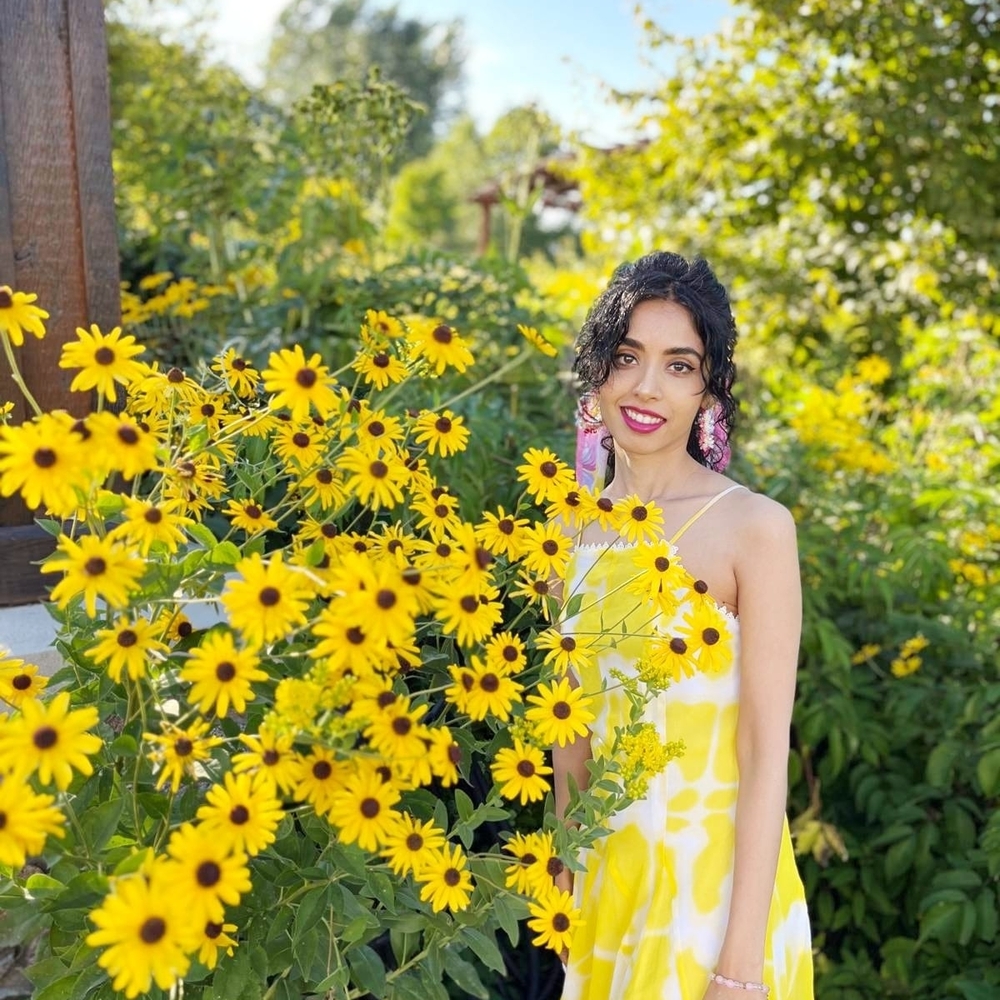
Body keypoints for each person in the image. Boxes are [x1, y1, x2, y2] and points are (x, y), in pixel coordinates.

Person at [553, 251, 814, 1000]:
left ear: (707, 390)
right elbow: (570, 747)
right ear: (595, 370)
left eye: (678, 365)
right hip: (606, 897)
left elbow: (766, 758)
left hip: (719, 902)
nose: (645, 387)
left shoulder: (755, 529)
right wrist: (567, 891)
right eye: (627, 356)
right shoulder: (564, 535)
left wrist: (738, 968)